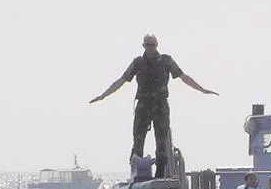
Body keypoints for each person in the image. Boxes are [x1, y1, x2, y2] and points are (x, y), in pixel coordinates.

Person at [89, 33, 218, 179]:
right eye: (147, 45)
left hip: (160, 106)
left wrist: (202, 90)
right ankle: (136, 173)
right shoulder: (138, 63)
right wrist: (103, 95)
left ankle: (160, 174)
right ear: (143, 46)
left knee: (161, 142)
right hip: (143, 106)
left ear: (157, 45)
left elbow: (184, 77)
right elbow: (122, 80)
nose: (150, 48)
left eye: (153, 45)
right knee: (138, 141)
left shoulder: (166, 61)